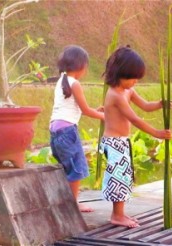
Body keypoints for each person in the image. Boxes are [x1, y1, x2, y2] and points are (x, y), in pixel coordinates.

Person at [100, 46, 172, 228]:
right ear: (120, 74)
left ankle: (120, 214)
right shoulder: (115, 95)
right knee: (119, 179)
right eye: (132, 78)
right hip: (114, 142)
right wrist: (157, 134)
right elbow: (135, 118)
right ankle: (117, 215)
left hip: (122, 142)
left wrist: (160, 104)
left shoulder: (127, 91)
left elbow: (146, 106)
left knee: (125, 177)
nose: (135, 82)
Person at [50, 45, 104, 212]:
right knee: (77, 167)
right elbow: (86, 111)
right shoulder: (75, 84)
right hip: (67, 131)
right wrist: (105, 116)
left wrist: (97, 110)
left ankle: (66, 201)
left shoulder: (62, 81)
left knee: (67, 168)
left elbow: (76, 107)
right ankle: (73, 204)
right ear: (81, 66)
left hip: (55, 131)